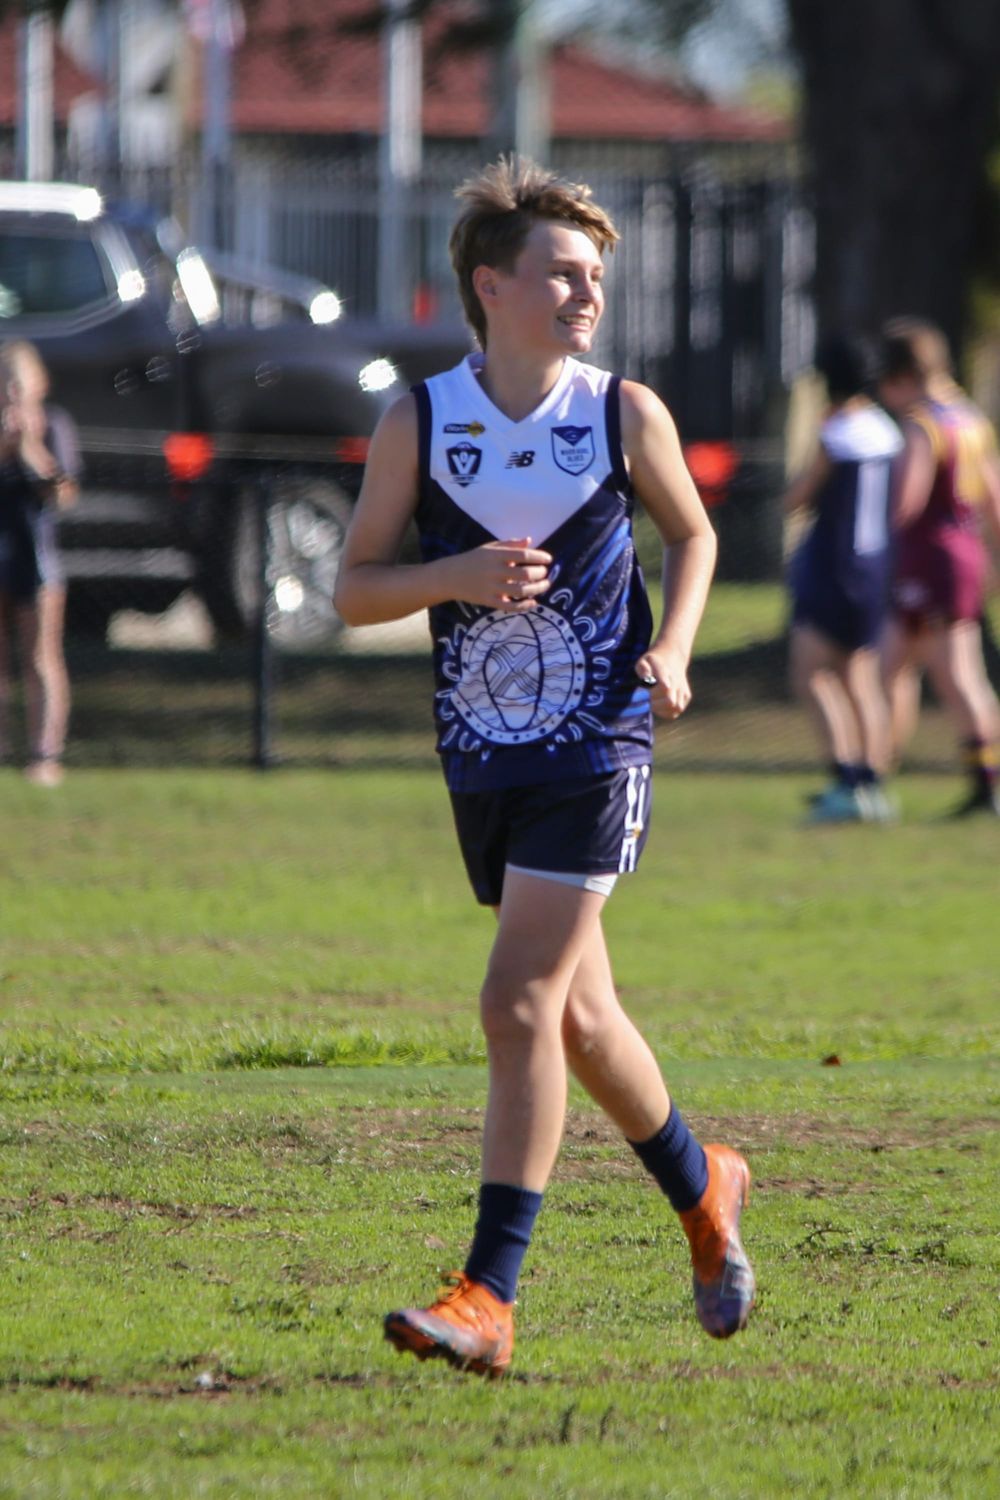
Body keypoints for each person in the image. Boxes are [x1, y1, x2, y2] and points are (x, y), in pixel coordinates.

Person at [334, 157, 755, 1379]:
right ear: (490, 284)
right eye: (562, 273)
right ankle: (701, 1184)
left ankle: (488, 1295)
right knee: (577, 1015)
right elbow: (355, 589)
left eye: (595, 278)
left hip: (598, 745)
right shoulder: (420, 417)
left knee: (515, 1000)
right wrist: (449, 581)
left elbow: (695, 531)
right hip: (481, 754)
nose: (586, 295)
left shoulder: (623, 411)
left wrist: (673, 648)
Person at [878, 318, 1000, 817]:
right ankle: (876, 769)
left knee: (955, 675)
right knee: (896, 664)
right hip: (965, 552)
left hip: (928, 558)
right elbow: (992, 497)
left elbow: (906, 502)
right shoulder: (970, 418)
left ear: (901, 375)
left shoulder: (923, 424)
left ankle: (985, 782)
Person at [783, 335, 903, 823]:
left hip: (835, 566)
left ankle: (844, 780)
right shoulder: (885, 429)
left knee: (811, 672)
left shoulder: (838, 434)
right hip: (876, 566)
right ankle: (872, 782)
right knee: (860, 675)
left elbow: (798, 498)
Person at [0, 340, 81, 786]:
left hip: (37, 558)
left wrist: (29, 446)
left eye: (18, 379)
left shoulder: (53, 424)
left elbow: (64, 493)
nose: (11, 389)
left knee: (40, 657)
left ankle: (45, 754)